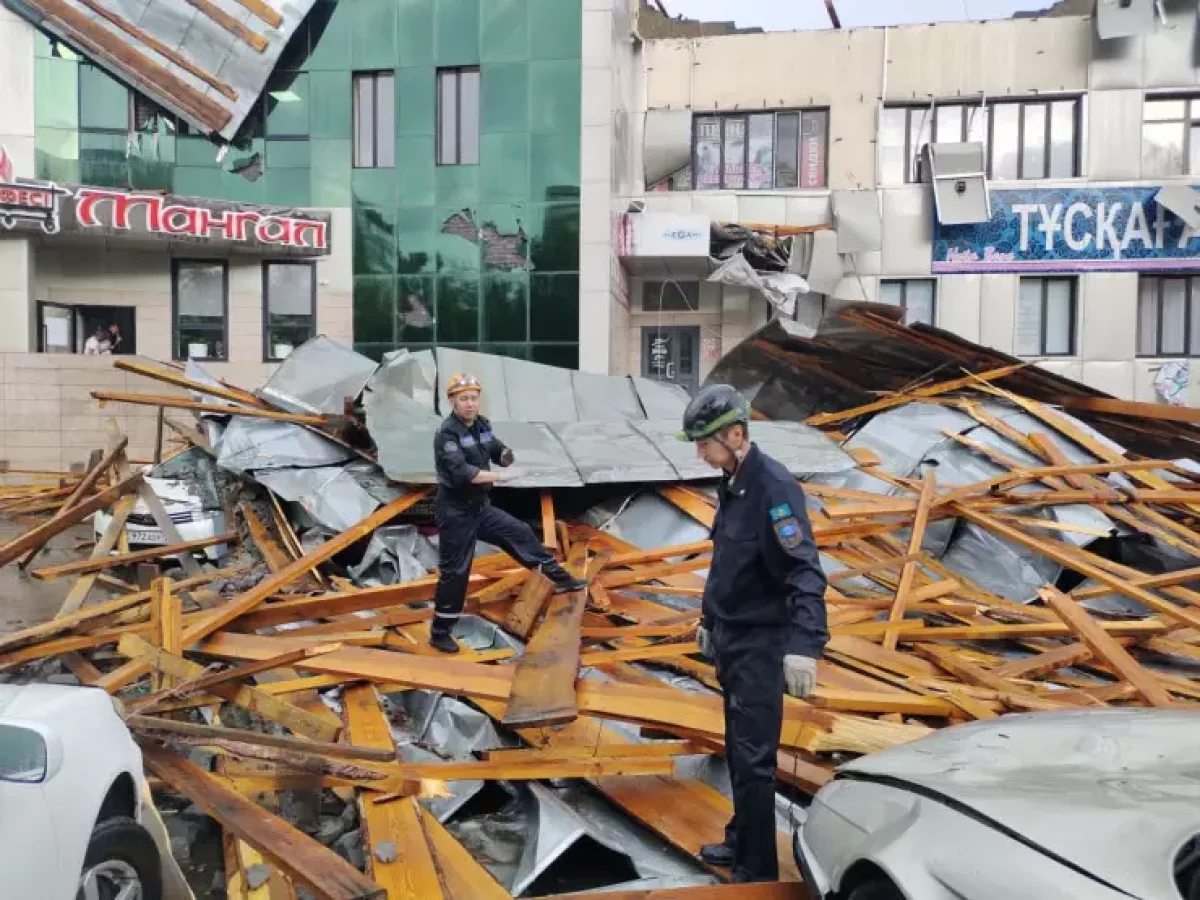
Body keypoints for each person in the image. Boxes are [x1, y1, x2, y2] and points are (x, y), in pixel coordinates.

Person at [678, 383, 828, 884]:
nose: (700, 453)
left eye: (705, 443)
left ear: (735, 436)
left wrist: (804, 647)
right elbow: (727, 562)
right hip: (731, 637)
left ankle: (756, 871)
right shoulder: (732, 481)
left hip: (761, 645)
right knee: (739, 751)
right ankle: (741, 837)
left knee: (755, 760)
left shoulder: (774, 489)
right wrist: (708, 620)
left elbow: (804, 570)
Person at [430, 372, 585, 654]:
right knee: (456, 572)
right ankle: (440, 633)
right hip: (455, 512)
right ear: (452, 401)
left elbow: (494, 446)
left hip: (480, 508)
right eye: (463, 399)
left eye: (474, 398)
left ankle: (561, 580)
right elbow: (464, 474)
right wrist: (502, 476)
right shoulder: (447, 435)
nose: (470, 404)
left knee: (520, 532)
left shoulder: (480, 425)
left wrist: (506, 455)